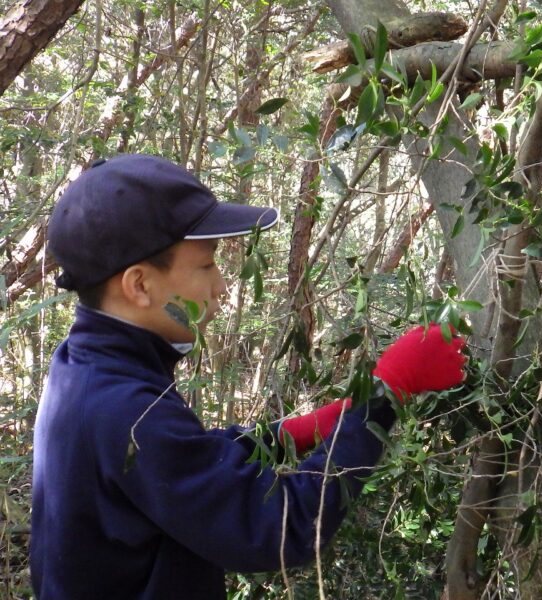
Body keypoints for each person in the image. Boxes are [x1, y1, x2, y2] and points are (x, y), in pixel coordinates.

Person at [30, 154, 466, 599]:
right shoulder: (123, 407)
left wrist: (293, 433)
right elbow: (284, 527)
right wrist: (387, 390)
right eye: (206, 265)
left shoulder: (86, 368)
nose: (221, 285)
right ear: (139, 285)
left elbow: (180, 462)